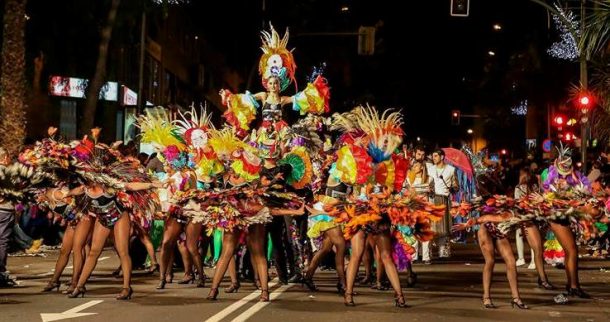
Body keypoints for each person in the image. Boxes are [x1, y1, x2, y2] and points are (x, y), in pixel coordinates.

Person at [454, 214, 529, 309]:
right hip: (486, 228)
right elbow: (490, 217)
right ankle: (486, 297)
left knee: (511, 262)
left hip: (500, 231)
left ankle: (516, 298)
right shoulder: (503, 208)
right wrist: (473, 222)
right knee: (490, 261)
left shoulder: (517, 212)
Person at [428, 149, 458, 259]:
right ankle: (428, 252)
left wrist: (452, 189)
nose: (433, 158)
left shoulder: (451, 169)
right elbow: (427, 184)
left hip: (444, 199)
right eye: (433, 156)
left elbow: (456, 186)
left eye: (435, 156)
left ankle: (443, 251)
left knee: (444, 227)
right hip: (431, 200)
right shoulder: (430, 169)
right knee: (431, 227)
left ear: (442, 157)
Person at [0, 147, 16, 287]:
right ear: (4, 158)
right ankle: (1, 272)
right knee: (2, 242)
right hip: (4, 210)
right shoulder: (6, 172)